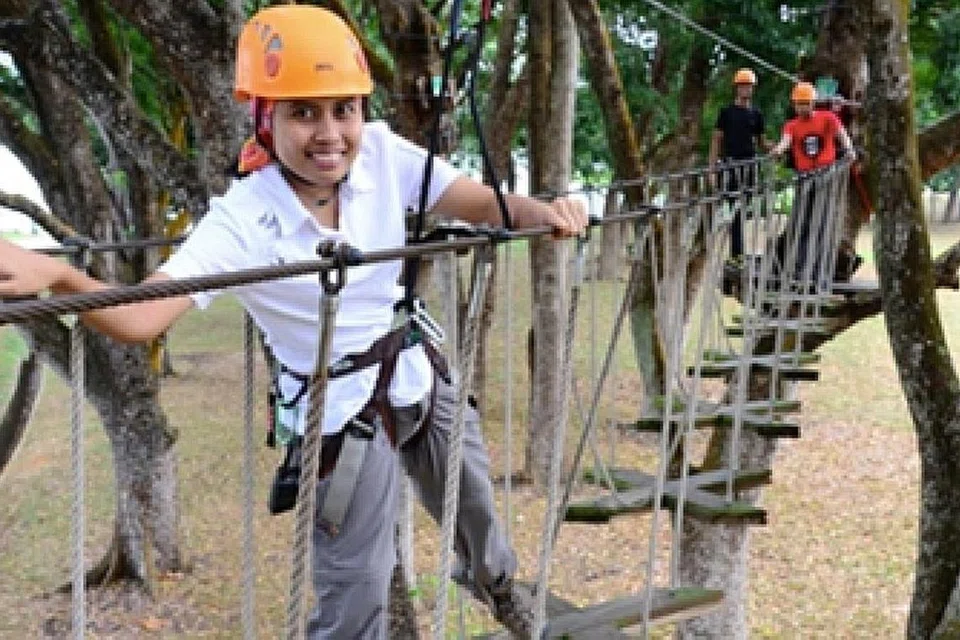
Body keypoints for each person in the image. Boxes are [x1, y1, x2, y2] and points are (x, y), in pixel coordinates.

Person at [0, 6, 587, 638]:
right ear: (265, 118)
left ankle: (494, 583)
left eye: (344, 109)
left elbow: (479, 204)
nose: (330, 132)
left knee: (476, 506)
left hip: (418, 372)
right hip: (343, 417)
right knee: (356, 590)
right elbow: (142, 316)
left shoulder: (385, 156)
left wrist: (543, 212)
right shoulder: (246, 218)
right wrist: (62, 277)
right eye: (303, 112)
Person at [770, 81, 856, 284]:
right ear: (794, 105)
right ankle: (798, 269)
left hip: (826, 177)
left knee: (822, 222)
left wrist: (849, 149)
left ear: (813, 103)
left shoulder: (827, 118)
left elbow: (842, 135)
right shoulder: (792, 125)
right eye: (799, 104)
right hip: (804, 179)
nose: (803, 108)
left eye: (806, 103)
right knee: (802, 222)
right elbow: (786, 141)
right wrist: (778, 150)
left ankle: (818, 271)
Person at [709, 67, 768, 262]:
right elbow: (717, 139)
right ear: (737, 88)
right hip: (731, 165)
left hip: (749, 165)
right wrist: (712, 169)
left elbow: (762, 142)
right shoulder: (726, 112)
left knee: (743, 208)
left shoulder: (756, 114)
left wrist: (777, 148)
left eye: (749, 86)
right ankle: (735, 252)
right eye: (742, 86)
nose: (746, 90)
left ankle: (738, 251)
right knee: (733, 206)